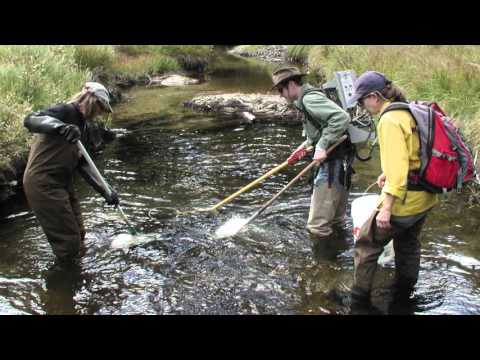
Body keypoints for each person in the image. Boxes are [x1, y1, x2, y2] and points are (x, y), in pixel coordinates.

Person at [349, 71, 438, 305]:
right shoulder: (406, 111)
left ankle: (358, 301)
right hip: (426, 196)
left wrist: (386, 207)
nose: (362, 106)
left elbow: (399, 171)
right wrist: (386, 172)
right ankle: (405, 294)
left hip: (404, 200)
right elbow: (410, 155)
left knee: (367, 245)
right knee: (408, 244)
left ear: (375, 96)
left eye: (362, 100)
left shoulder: (388, 120)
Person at [23, 82, 119, 268]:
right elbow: (31, 120)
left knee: (79, 233)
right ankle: (65, 282)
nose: (99, 113)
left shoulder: (82, 127)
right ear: (91, 100)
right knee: (68, 243)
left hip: (62, 183)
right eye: (100, 108)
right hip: (43, 183)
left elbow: (83, 164)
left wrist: (106, 192)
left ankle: (76, 267)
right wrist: (60, 127)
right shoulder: (65, 111)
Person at [271, 66, 354, 240]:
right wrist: (305, 146)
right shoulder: (308, 98)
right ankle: (341, 256)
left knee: (317, 226)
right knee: (335, 220)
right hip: (341, 164)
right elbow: (321, 128)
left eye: (280, 89)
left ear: (292, 84)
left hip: (332, 166)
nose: (280, 94)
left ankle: (325, 265)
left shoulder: (309, 99)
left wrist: (322, 146)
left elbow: (341, 118)